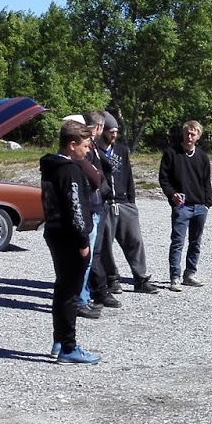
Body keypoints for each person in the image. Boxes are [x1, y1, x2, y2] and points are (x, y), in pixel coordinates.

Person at [40, 120, 101, 364]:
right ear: (72, 144)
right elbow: (75, 208)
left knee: (62, 288)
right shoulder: (70, 170)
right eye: (85, 146)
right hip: (69, 237)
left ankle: (59, 340)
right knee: (70, 293)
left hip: (54, 232)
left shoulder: (50, 166)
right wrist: (83, 241)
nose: (87, 150)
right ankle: (68, 347)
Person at [97, 110, 161, 294]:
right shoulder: (94, 151)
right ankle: (112, 279)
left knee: (135, 241)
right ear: (103, 131)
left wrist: (132, 202)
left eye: (116, 132)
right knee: (105, 245)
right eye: (111, 131)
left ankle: (141, 279)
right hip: (106, 204)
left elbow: (128, 176)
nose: (114, 135)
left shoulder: (121, 150)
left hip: (124, 202)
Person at [72, 112, 118, 315]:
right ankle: (81, 299)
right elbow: (93, 177)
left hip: (98, 204)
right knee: (87, 256)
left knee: (93, 254)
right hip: (91, 206)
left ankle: (90, 293)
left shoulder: (92, 148)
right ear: (99, 127)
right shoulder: (85, 150)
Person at [157, 119, 211, 291]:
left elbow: (207, 182)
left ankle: (190, 274)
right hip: (181, 206)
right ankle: (175, 277)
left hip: (200, 206)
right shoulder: (171, 153)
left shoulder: (202, 157)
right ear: (183, 134)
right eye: (187, 133)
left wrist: (207, 204)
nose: (189, 136)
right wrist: (172, 195)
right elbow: (164, 178)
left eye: (193, 134)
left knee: (195, 242)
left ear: (198, 136)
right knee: (177, 242)